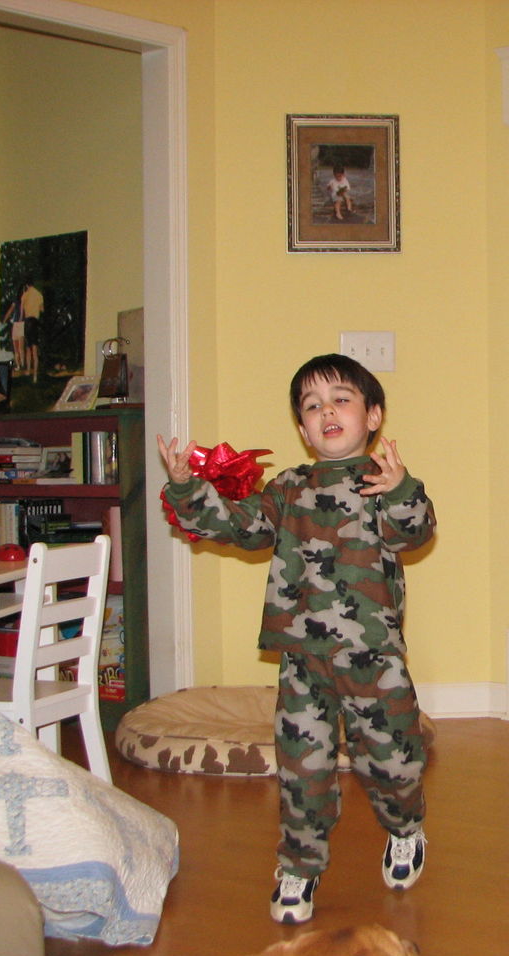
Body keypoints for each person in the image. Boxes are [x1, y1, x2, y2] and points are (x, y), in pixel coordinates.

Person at [158, 354, 435, 925]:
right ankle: (299, 867)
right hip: (303, 659)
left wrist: (401, 487)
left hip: (372, 660)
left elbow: (417, 530)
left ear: (373, 415)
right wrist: (187, 488)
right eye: (312, 406)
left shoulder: (386, 485)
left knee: (393, 763)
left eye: (341, 399)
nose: (326, 410)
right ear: (304, 430)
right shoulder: (289, 487)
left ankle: (405, 828)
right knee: (301, 770)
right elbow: (239, 525)